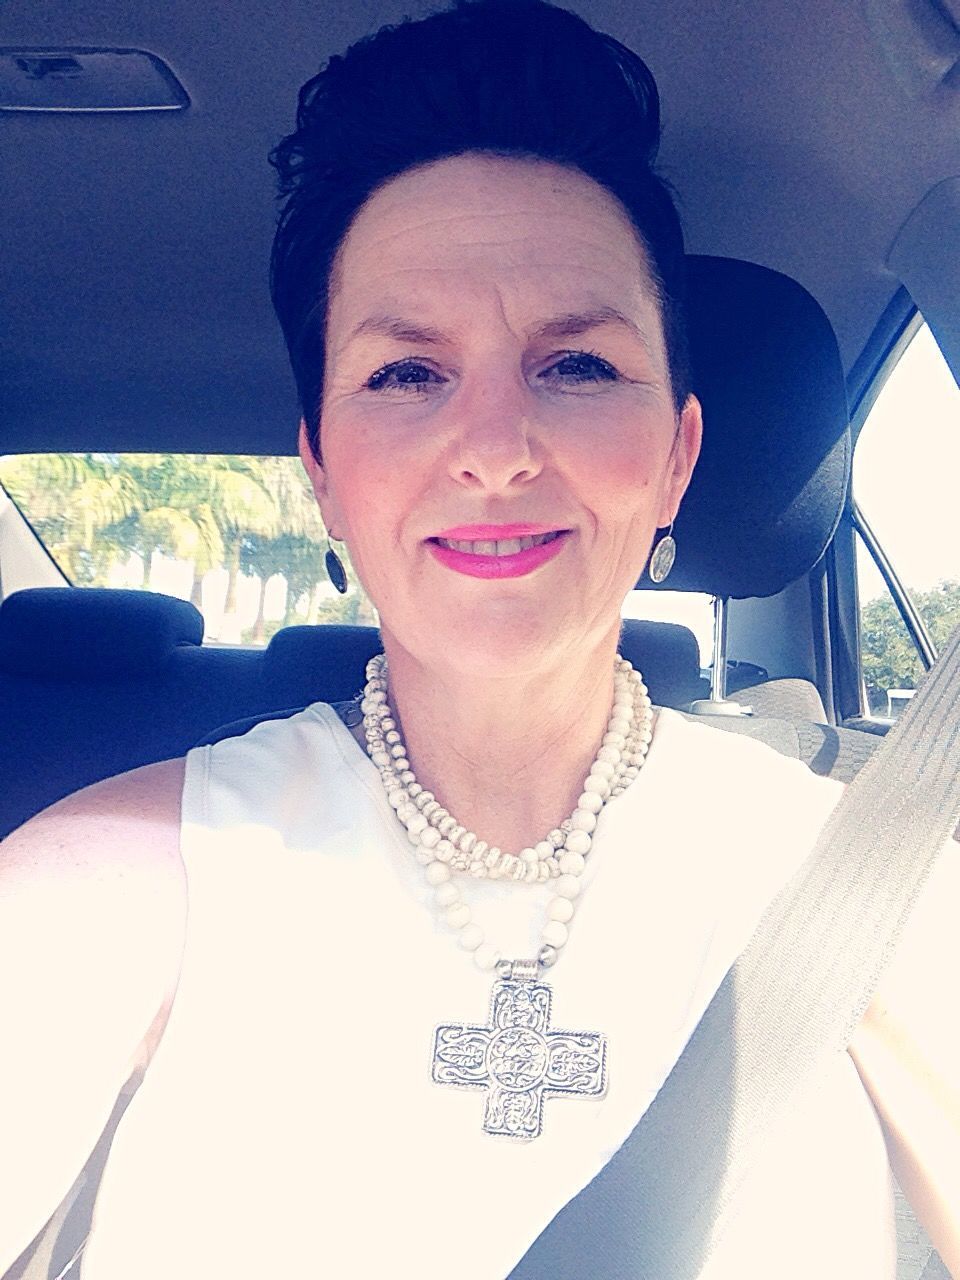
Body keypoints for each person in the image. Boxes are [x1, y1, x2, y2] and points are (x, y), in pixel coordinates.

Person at [1, 1, 957, 1277]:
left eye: (576, 366)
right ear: (325, 475)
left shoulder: (876, 900)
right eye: (407, 374)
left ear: (677, 457)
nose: (498, 447)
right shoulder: (111, 881)